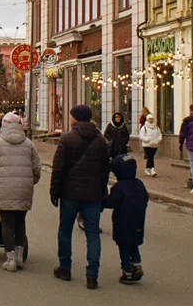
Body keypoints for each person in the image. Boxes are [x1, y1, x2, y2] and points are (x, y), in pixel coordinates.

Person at [50, 104, 111, 290]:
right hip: (93, 195)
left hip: (70, 194)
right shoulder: (101, 141)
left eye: (71, 116)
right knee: (92, 233)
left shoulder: (67, 139)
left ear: (76, 118)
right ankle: (92, 275)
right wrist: (102, 192)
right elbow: (104, 170)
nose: (70, 118)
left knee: (65, 230)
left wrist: (54, 191)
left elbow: (58, 168)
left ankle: (65, 268)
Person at [0, 112, 41, 273]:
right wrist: (31, 181)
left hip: (4, 187)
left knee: (7, 223)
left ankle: (10, 259)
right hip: (24, 188)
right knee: (20, 221)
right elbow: (37, 167)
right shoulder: (28, 144)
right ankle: (19, 256)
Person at [103, 154, 148, 285]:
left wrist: (102, 200)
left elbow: (112, 202)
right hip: (138, 221)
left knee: (123, 247)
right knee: (133, 245)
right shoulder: (139, 184)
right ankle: (137, 264)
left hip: (122, 223)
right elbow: (145, 198)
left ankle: (127, 271)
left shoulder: (119, 187)